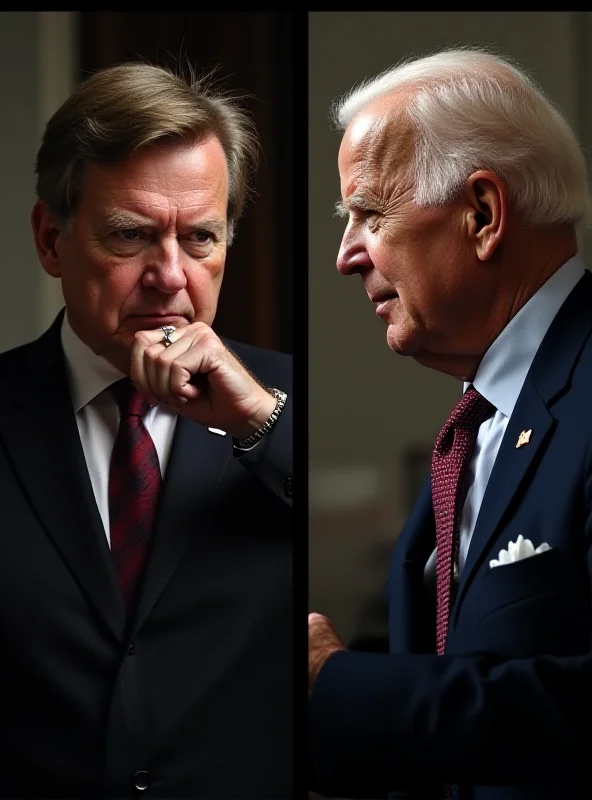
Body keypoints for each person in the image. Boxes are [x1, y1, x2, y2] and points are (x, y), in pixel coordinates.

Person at [0, 61, 292, 798]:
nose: (170, 276)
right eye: (131, 236)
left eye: (199, 239)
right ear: (50, 239)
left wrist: (262, 422)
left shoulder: (287, 400)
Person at [309, 48, 592, 800]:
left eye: (369, 214)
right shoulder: (476, 423)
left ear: (483, 215)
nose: (345, 256)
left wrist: (335, 685)